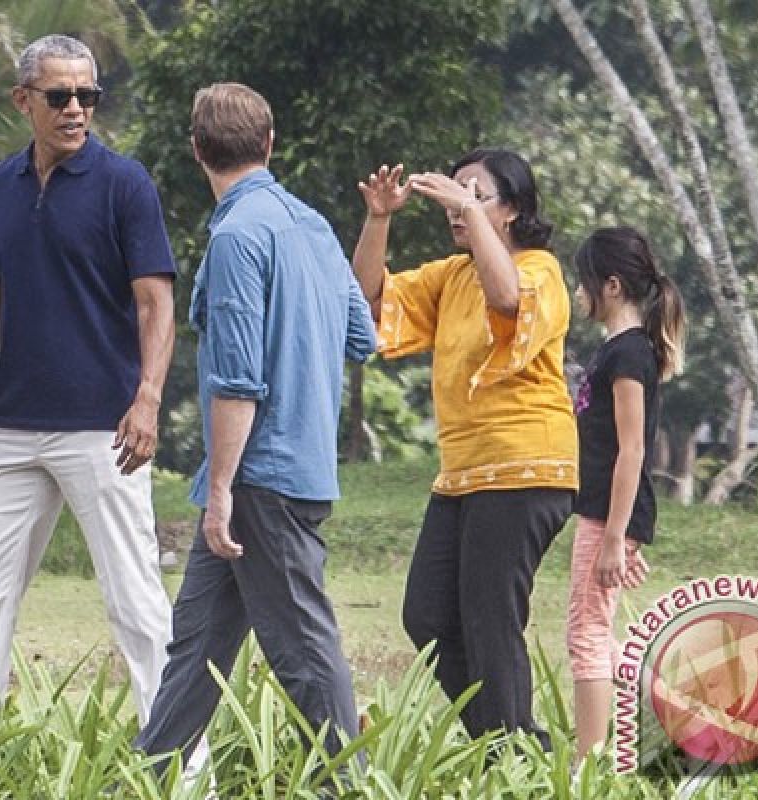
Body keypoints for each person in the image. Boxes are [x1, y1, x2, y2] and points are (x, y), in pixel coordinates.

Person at [0, 34, 178, 765]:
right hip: (11, 427)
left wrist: (147, 399)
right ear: (24, 101)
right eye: (60, 96)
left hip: (102, 429)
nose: (76, 108)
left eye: (88, 95)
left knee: (136, 604)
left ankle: (183, 768)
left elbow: (156, 303)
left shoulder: (125, 183)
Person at [135, 82, 376, 771]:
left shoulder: (238, 236)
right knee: (198, 644)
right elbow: (361, 335)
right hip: (295, 464)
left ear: (196, 151)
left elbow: (238, 380)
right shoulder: (312, 225)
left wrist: (219, 492)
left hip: (257, 479)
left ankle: (345, 783)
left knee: (302, 645)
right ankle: (150, 774)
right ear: (269, 144)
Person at [351, 151, 576, 750]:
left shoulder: (541, 270)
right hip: (462, 474)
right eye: (457, 192)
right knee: (425, 614)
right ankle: (508, 744)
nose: (459, 206)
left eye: (477, 195)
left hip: (527, 468)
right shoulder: (452, 276)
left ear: (514, 210)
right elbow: (368, 301)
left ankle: (511, 752)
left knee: (489, 618)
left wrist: (465, 210)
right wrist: (379, 220)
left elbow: (508, 301)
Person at [568, 226, 685, 761]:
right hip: (604, 513)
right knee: (598, 628)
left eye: (584, 282)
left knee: (586, 633)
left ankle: (587, 766)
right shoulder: (617, 350)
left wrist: (616, 535)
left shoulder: (630, 354)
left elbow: (632, 450)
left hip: (608, 515)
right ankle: (681, 713)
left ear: (611, 286)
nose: (578, 293)